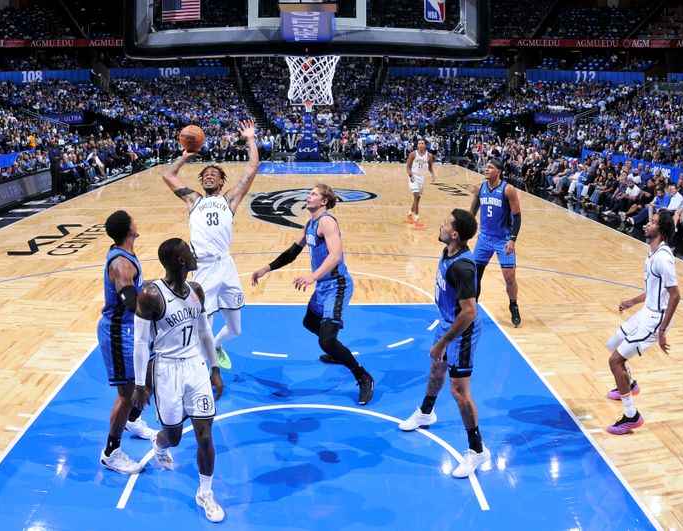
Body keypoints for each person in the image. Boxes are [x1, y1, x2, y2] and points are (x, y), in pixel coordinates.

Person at [251, 183, 375, 405]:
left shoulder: (327, 222)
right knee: (310, 323)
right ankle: (337, 350)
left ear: (324, 201)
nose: (308, 197)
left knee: (326, 341)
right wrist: (265, 269)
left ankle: (363, 376)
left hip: (336, 285)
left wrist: (312, 277)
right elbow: (291, 253)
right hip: (322, 286)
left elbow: (335, 256)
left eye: (313, 194)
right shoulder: (310, 223)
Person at [131, 238, 225, 523]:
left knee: (205, 436)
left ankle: (206, 493)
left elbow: (206, 332)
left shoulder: (196, 290)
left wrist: (215, 368)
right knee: (173, 436)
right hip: (167, 372)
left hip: (195, 367)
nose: (194, 254)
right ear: (181, 261)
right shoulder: (150, 295)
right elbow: (139, 342)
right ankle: (158, 445)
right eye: (189, 251)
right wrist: (139, 385)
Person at [160, 119, 259, 371]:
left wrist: (250, 139)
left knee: (236, 329)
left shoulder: (230, 200)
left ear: (221, 182)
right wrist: (186, 156)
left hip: (226, 266)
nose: (208, 177)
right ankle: (202, 370)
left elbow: (252, 168)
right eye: (204, 175)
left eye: (213, 175)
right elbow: (168, 175)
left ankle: (215, 345)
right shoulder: (193, 200)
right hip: (203, 269)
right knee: (202, 324)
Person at [397, 209, 489, 478]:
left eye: (446, 223)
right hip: (448, 323)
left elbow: (469, 311)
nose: (441, 224)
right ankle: (426, 412)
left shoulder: (463, 265)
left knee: (460, 391)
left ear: (456, 234)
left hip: (463, 331)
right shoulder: (449, 250)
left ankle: (477, 450)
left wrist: (443, 343)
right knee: (437, 370)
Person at [604, 211, 681, 435]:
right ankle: (630, 384)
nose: (647, 224)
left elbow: (675, 295)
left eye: (653, 222)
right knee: (613, 344)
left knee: (615, 361)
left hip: (656, 320)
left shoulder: (663, 259)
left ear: (662, 229)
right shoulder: (652, 252)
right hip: (647, 311)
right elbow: (652, 291)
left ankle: (631, 416)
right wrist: (631, 302)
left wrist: (663, 331)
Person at [97, 210, 157, 474]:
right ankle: (111, 451)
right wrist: (159, 308)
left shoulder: (127, 254)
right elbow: (132, 302)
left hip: (134, 331)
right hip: (119, 333)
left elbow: (137, 288)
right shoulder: (120, 264)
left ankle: (133, 420)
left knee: (150, 380)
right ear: (129, 230)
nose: (137, 221)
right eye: (134, 220)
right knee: (127, 393)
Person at [469, 158, 522, 326]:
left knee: (510, 278)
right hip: (484, 238)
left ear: (498, 171)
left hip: (503, 240)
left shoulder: (508, 190)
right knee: (475, 275)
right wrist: (465, 232)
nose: (486, 168)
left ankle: (513, 305)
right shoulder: (479, 188)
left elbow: (517, 216)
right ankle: (472, 308)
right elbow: (472, 212)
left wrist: (512, 240)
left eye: (490, 167)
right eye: (486, 166)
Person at [405, 138, 435, 228]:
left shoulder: (429, 156)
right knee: (417, 196)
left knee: (417, 199)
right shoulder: (413, 154)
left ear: (425, 145)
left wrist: (433, 174)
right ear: (417, 145)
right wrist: (411, 176)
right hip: (413, 176)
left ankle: (409, 214)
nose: (421, 145)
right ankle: (416, 218)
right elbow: (408, 167)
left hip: (422, 178)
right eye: (419, 144)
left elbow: (430, 167)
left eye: (422, 143)